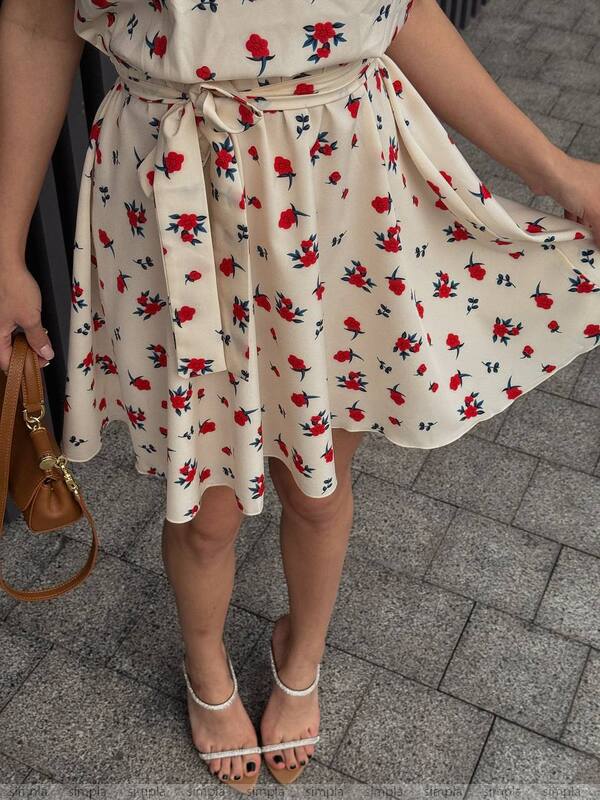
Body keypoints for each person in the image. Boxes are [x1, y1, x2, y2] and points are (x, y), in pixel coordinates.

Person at [1, 0, 599, 792]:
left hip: (337, 184)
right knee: (207, 507)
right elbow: (35, 25)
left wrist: (556, 170)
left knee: (317, 487)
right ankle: (204, 664)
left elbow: (406, 10)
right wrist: (4, 245)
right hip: (173, 183)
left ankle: (302, 653)